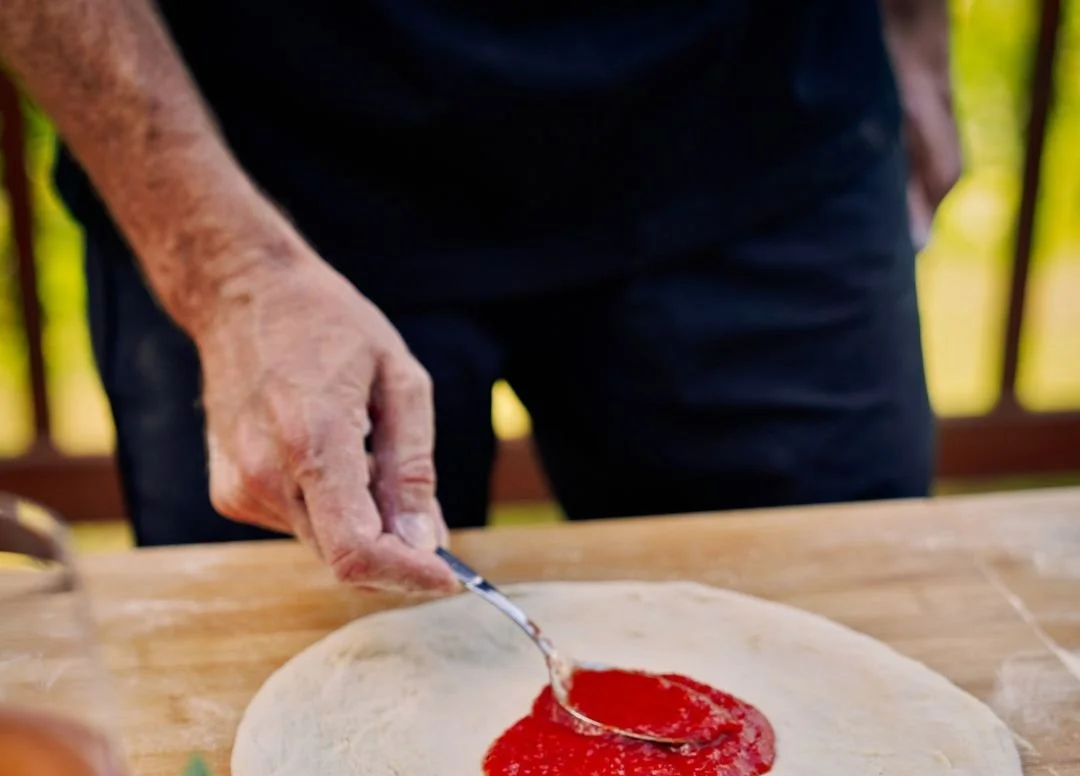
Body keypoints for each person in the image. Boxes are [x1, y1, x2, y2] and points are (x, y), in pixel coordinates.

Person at [0, 1, 959, 594]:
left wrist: (918, 31)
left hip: (760, 121)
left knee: (846, 637)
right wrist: (224, 269)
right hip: (261, 185)